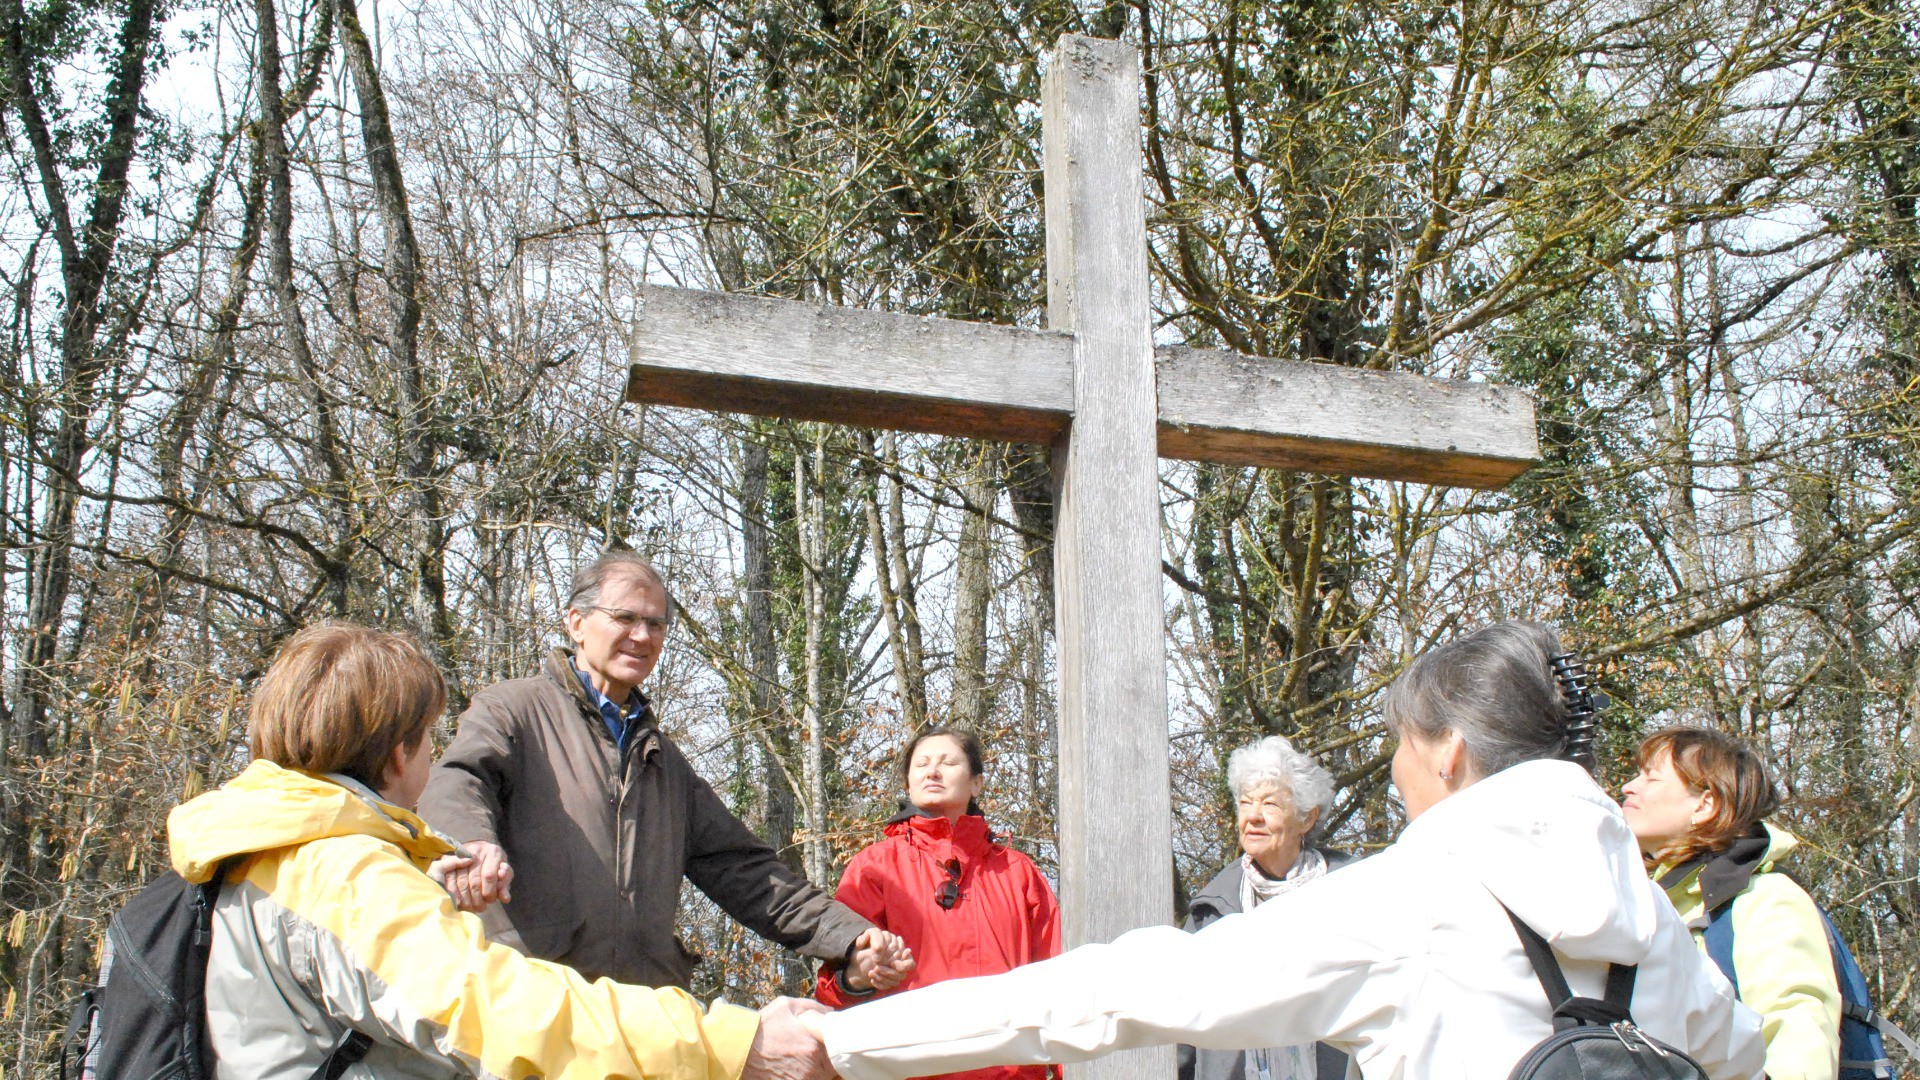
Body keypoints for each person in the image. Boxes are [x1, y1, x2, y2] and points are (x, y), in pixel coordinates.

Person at [799, 620, 1768, 1079]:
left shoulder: (1412, 905)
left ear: (1451, 751)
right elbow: (1748, 1062)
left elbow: (1111, 995)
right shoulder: (1656, 923)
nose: (1393, 771)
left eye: (1400, 742)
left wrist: (837, 1041)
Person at [168, 622, 834, 1079]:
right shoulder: (339, 871)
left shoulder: (266, 846)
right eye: (429, 736)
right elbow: (493, 1009)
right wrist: (729, 1044)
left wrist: (421, 875)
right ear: (399, 749)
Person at [418, 550, 911, 995]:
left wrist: (850, 936)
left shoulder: (664, 763)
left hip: (641, 1018)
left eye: (655, 624)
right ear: (576, 623)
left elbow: (750, 875)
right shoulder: (515, 710)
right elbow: (458, 778)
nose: (641, 636)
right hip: (533, 1005)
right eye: (625, 618)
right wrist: (471, 846)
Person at [814, 727, 1061, 1080]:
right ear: (908, 782)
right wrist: (860, 977)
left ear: (976, 783)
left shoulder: (1018, 873)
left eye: (948, 762)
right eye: (922, 764)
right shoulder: (874, 868)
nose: (933, 771)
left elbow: (1055, 984)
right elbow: (834, 993)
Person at [1620, 727, 1842, 1080]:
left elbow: (1798, 1031)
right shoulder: (1653, 899)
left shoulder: (1764, 898)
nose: (1629, 786)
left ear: (1705, 805)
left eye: (1652, 778)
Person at [1177, 735, 1357, 1080]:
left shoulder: (1349, 896)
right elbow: (1183, 1028)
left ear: (1306, 819)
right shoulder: (1212, 910)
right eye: (1246, 803)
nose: (1254, 816)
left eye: (1270, 804)